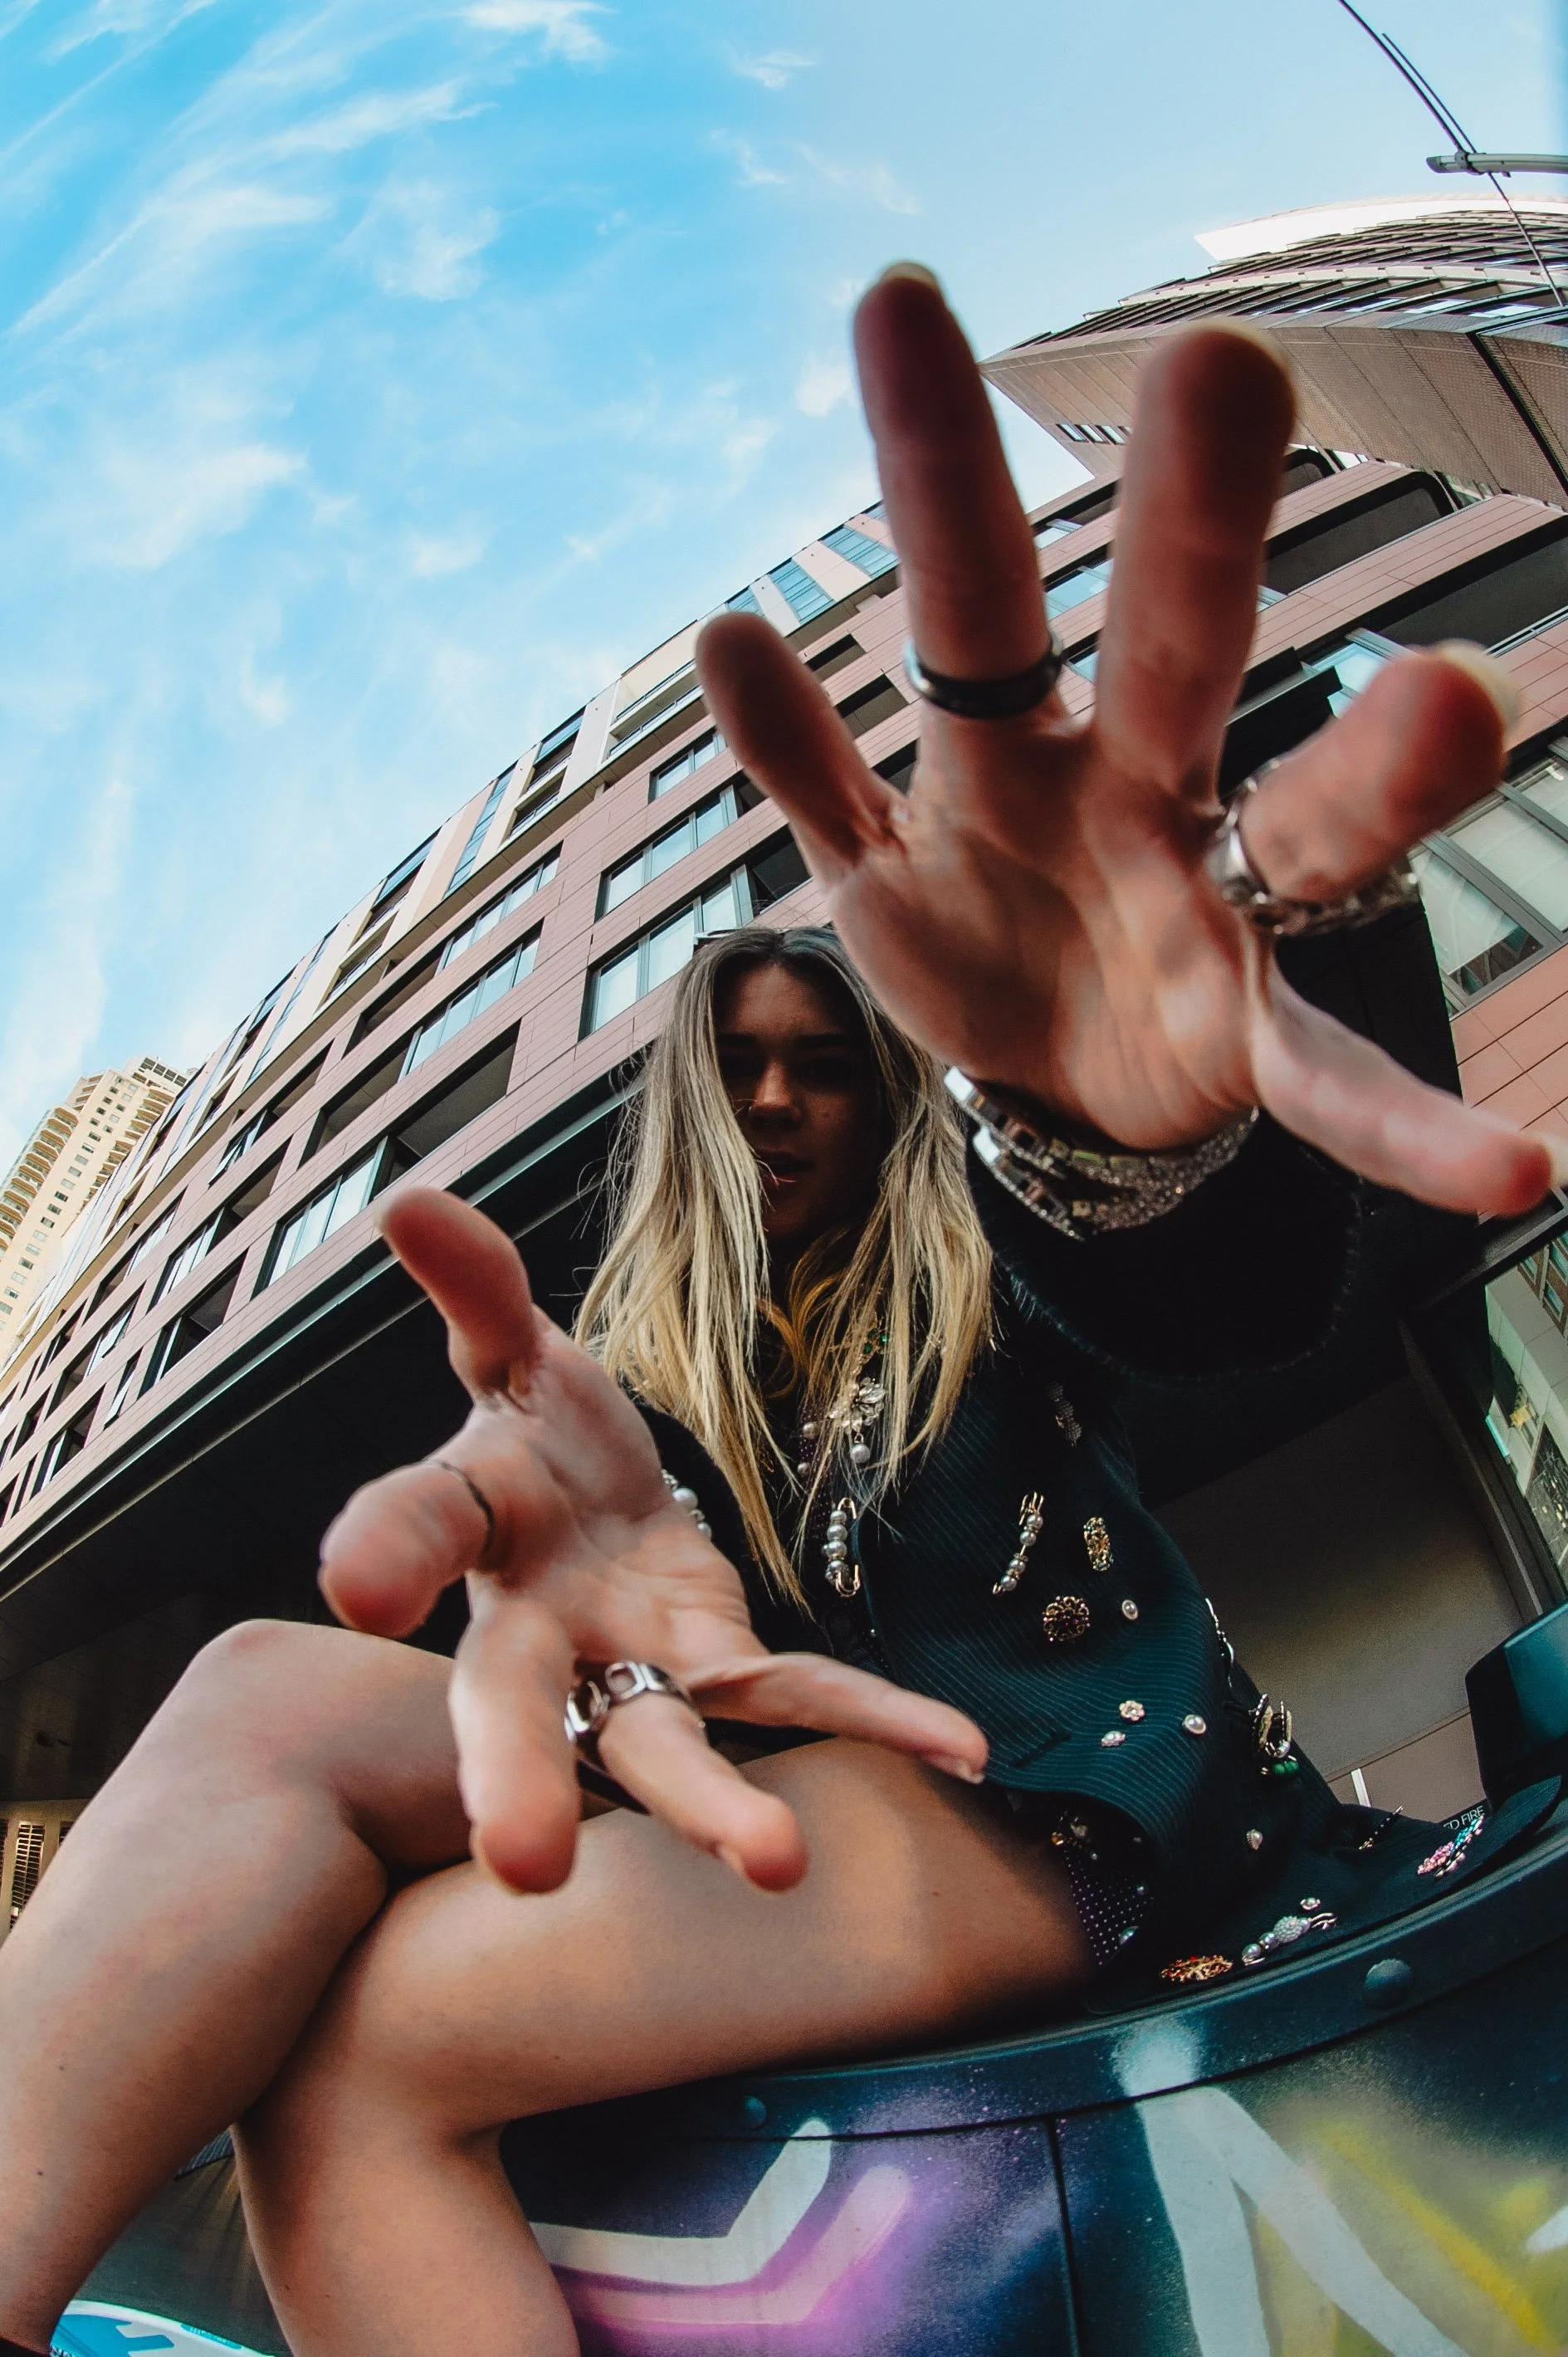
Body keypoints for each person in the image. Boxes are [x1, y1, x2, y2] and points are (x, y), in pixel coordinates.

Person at [0, 264, 1548, 2357]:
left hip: (1061, 1808)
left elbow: (1222, 1305)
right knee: (268, 1712)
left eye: (827, 1054)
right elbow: (587, 1654)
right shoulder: (622, 1385)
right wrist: (553, 1626)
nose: (781, 1093)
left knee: (375, 2044)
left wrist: (1104, 1143)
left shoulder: (978, 1244)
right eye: (736, 1066)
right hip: (758, 1810)